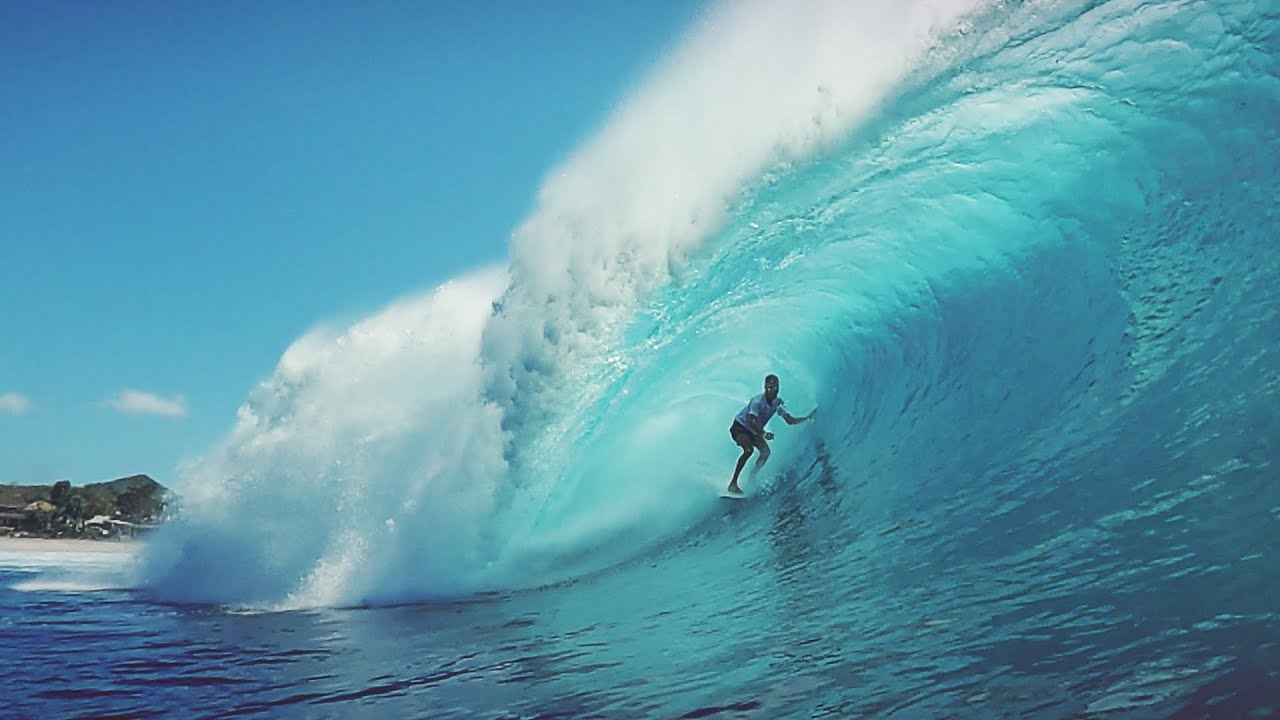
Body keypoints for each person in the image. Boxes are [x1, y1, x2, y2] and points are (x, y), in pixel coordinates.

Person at [726, 374, 815, 495]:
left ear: (778, 387)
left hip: (754, 431)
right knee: (748, 450)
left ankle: (751, 477)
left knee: (766, 452)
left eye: (774, 387)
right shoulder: (757, 402)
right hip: (740, 427)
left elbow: (789, 420)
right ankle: (733, 484)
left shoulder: (778, 403)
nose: (771, 390)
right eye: (768, 387)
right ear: (765, 387)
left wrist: (806, 418)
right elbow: (751, 421)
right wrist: (763, 434)